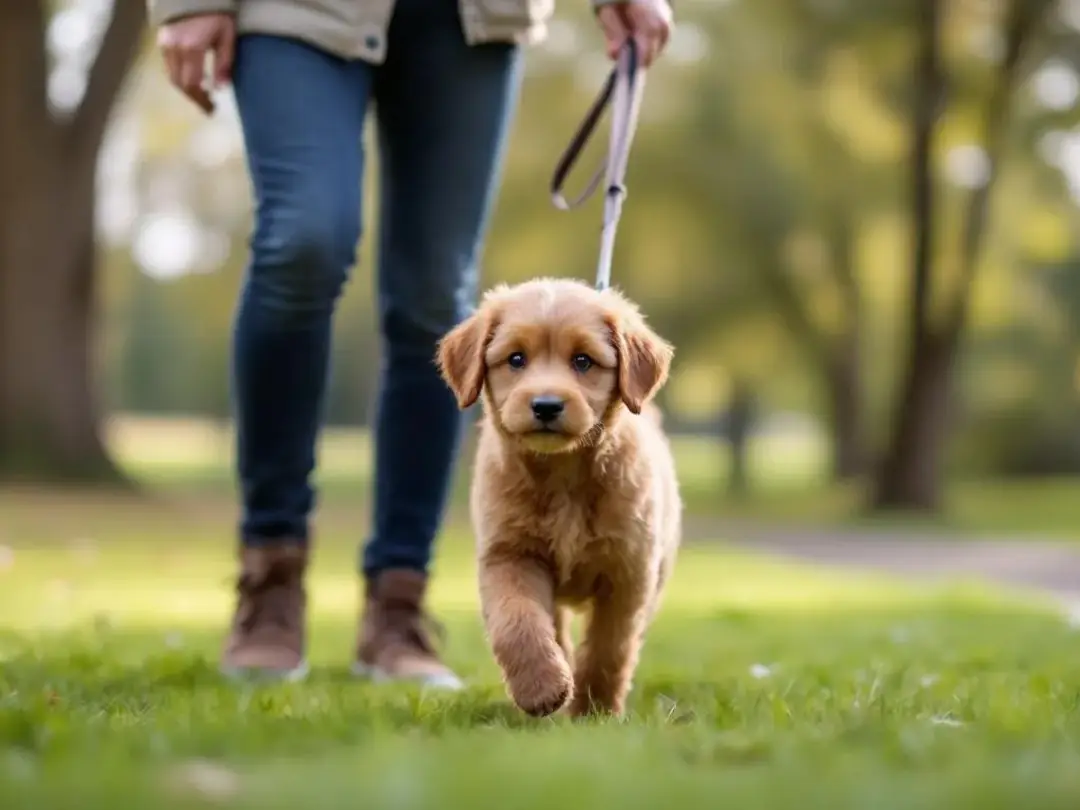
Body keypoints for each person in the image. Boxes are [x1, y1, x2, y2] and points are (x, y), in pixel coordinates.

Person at [148, 0, 674, 687]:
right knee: (302, 243)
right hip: (294, 12)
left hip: (468, 17)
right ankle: (269, 580)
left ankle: (398, 604)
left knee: (434, 292)